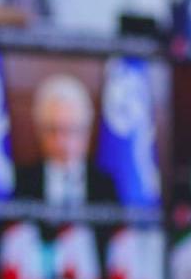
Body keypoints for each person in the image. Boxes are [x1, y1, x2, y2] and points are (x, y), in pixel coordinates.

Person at [14, 75, 116, 206]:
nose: (62, 141)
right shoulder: (22, 183)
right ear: (39, 132)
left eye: (71, 130)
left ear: (87, 131)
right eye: (53, 130)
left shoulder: (105, 185)